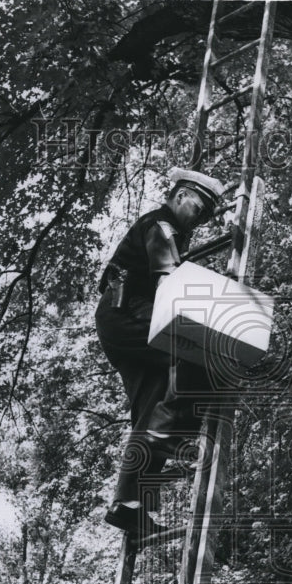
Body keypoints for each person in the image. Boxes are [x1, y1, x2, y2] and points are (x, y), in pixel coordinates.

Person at [96, 168, 225, 537]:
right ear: (181, 195)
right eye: (198, 208)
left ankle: (128, 505)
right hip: (130, 316)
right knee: (201, 355)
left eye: (204, 216)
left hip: (123, 322)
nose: (198, 219)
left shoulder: (168, 230)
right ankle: (173, 440)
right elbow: (168, 281)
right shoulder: (161, 226)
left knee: (151, 409)